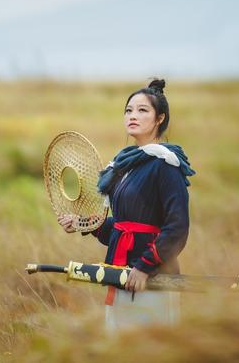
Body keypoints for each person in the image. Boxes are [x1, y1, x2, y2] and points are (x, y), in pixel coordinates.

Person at [57, 78, 194, 331]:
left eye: (143, 110)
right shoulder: (125, 166)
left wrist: (143, 267)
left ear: (160, 118)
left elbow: (177, 228)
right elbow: (122, 227)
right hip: (120, 273)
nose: (133, 115)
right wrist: (83, 223)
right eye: (129, 110)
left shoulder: (166, 164)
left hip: (152, 279)